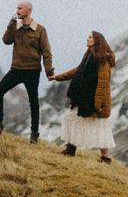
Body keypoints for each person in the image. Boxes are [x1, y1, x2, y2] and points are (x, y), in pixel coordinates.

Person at [0, 0, 54, 144]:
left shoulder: (40, 30)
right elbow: (6, 41)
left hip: (32, 71)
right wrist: (10, 24)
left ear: (29, 10)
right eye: (17, 8)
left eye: (20, 8)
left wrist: (49, 70)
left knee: (33, 103)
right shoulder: (15, 26)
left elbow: (46, 52)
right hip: (16, 70)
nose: (17, 10)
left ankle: (34, 134)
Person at [50, 31, 116, 162]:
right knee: (71, 119)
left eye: (90, 37)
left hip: (96, 99)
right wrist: (58, 77)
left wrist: (97, 104)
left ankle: (105, 158)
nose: (87, 39)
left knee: (101, 127)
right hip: (83, 96)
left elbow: (103, 84)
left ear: (97, 41)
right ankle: (71, 149)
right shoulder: (89, 55)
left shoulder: (103, 59)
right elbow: (77, 70)